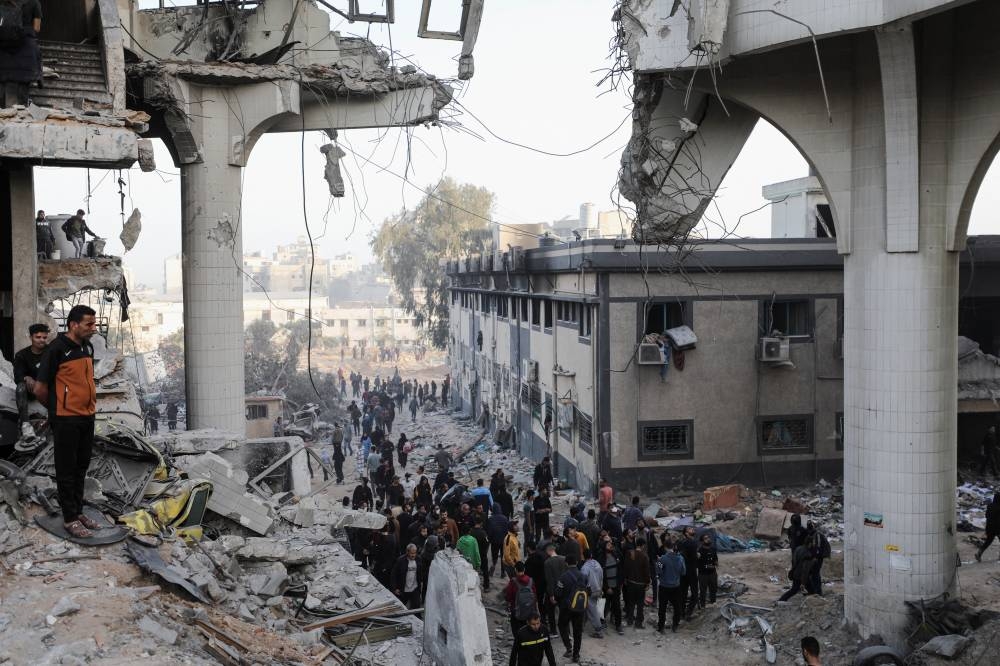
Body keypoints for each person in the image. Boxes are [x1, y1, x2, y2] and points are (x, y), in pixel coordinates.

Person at [33, 305, 99, 539]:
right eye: (89, 324)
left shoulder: (87, 347)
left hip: (87, 416)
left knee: (81, 467)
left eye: (94, 323)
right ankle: (70, 519)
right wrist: (56, 409)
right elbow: (40, 389)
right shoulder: (56, 349)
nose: (94, 328)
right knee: (66, 469)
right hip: (66, 419)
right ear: (73, 325)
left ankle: (78, 511)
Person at [0, 0, 41, 107]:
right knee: (23, 85)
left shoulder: (4, 2)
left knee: (3, 83)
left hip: (3, 47)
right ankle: (19, 108)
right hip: (26, 47)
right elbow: (37, 28)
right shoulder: (34, 2)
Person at [12, 322, 48, 427]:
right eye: (38, 337)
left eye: (44, 337)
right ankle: (25, 424)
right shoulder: (21, 355)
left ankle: (54, 419)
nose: (42, 340)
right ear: (31, 337)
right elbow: (17, 376)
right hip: (31, 390)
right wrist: (26, 377)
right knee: (20, 387)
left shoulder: (51, 352)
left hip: (47, 388)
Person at [554, 554, 587, 663]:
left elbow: (558, 593)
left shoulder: (563, 577)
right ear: (576, 563)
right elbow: (588, 591)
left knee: (562, 625)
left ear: (566, 563)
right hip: (580, 607)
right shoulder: (583, 576)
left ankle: (568, 647)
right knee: (578, 631)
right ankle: (576, 655)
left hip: (566, 607)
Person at [656, 541, 686, 633]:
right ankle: (675, 626)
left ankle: (661, 627)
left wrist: (658, 562)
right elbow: (683, 572)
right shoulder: (681, 559)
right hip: (676, 587)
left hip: (664, 586)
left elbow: (658, 571)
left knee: (662, 608)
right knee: (677, 607)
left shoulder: (663, 559)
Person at [622, 538, 650, 629]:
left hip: (630, 582)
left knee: (631, 603)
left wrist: (625, 579)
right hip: (640, 584)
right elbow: (646, 571)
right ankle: (638, 623)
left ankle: (630, 620)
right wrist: (647, 583)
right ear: (643, 545)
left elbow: (625, 567)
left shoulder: (629, 553)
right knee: (640, 604)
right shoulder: (644, 556)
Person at [505, 561, 538, 636]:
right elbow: (535, 596)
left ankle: (519, 642)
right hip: (529, 611)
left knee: (517, 631)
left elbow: (508, 596)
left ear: (515, 570)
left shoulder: (513, 581)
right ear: (524, 569)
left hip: (516, 611)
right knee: (529, 631)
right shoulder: (531, 581)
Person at [600, 536, 624, 635]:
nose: (610, 545)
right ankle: (602, 622)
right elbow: (601, 575)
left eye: (611, 544)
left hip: (616, 586)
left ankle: (618, 625)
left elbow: (621, 570)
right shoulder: (601, 559)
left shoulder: (616, 554)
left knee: (617, 606)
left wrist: (620, 584)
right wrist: (606, 587)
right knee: (604, 606)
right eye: (608, 544)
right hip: (607, 588)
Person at [580, 549, 604, 639]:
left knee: (592, 611)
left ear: (583, 556)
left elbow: (583, 581)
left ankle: (599, 631)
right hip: (598, 589)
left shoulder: (585, 567)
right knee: (587, 609)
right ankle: (581, 625)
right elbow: (602, 576)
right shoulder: (597, 563)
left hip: (590, 592)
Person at [677, 526, 699, 618]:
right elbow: (693, 557)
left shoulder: (680, 543)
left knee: (683, 593)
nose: (692, 529)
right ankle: (688, 612)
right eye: (690, 529)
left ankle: (681, 613)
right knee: (695, 594)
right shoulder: (693, 542)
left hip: (682, 571)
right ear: (686, 533)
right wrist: (697, 556)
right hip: (691, 571)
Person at [391, 544, 421, 609]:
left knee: (416, 607)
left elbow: (421, 573)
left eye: (415, 553)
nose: (413, 555)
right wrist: (394, 588)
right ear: (407, 552)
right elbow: (394, 575)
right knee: (401, 608)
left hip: (414, 589)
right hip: (403, 590)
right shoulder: (400, 560)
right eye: (411, 553)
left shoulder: (418, 559)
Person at [975, 491, 1000, 562]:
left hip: (989, 527)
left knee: (988, 541)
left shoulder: (990, 506)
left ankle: (979, 553)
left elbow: (986, 516)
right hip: (998, 528)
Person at [697, 533, 719, 607]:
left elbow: (715, 559)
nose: (708, 539)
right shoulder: (699, 551)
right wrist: (706, 566)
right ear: (702, 541)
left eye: (708, 538)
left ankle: (713, 602)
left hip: (712, 573)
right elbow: (697, 564)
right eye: (705, 538)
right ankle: (703, 605)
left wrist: (716, 563)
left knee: (713, 589)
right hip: (703, 574)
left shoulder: (713, 549)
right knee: (703, 590)